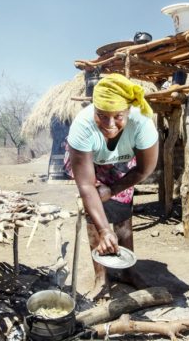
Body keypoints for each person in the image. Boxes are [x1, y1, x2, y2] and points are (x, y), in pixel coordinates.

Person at [65, 73, 159, 299]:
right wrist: (104, 229)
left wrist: (113, 190)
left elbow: (144, 169)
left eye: (118, 116)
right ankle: (101, 278)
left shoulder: (142, 123)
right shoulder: (82, 126)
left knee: (123, 216)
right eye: (101, 116)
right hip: (90, 164)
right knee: (94, 219)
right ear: (94, 110)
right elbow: (87, 186)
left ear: (128, 111)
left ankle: (128, 271)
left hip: (124, 166)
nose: (109, 125)